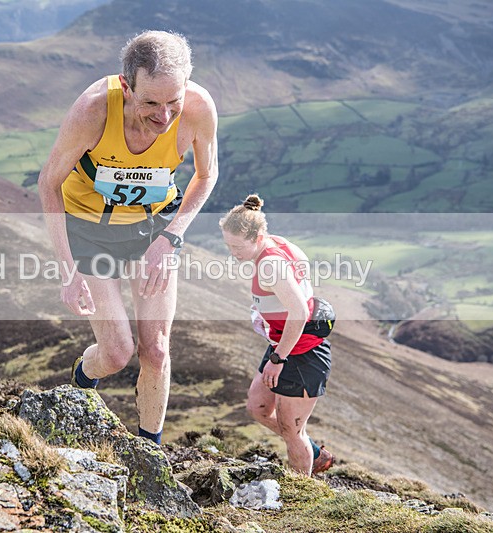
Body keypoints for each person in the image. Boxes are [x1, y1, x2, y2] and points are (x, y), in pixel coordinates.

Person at [37, 30, 219, 445]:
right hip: (89, 230)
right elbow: (48, 183)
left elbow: (207, 176)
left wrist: (170, 238)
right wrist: (68, 273)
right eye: (151, 102)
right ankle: (83, 378)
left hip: (154, 230)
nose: (165, 115)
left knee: (154, 348)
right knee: (117, 354)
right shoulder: (93, 109)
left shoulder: (198, 108)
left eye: (174, 100)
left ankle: (150, 452)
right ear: (126, 85)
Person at [220, 194, 334, 475]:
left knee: (292, 431)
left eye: (237, 246)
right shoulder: (279, 242)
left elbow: (299, 313)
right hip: (282, 342)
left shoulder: (270, 265)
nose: (232, 252)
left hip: (301, 352)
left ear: (258, 237)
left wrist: (279, 358)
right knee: (258, 408)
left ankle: (304, 490)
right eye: (228, 245)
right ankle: (313, 451)